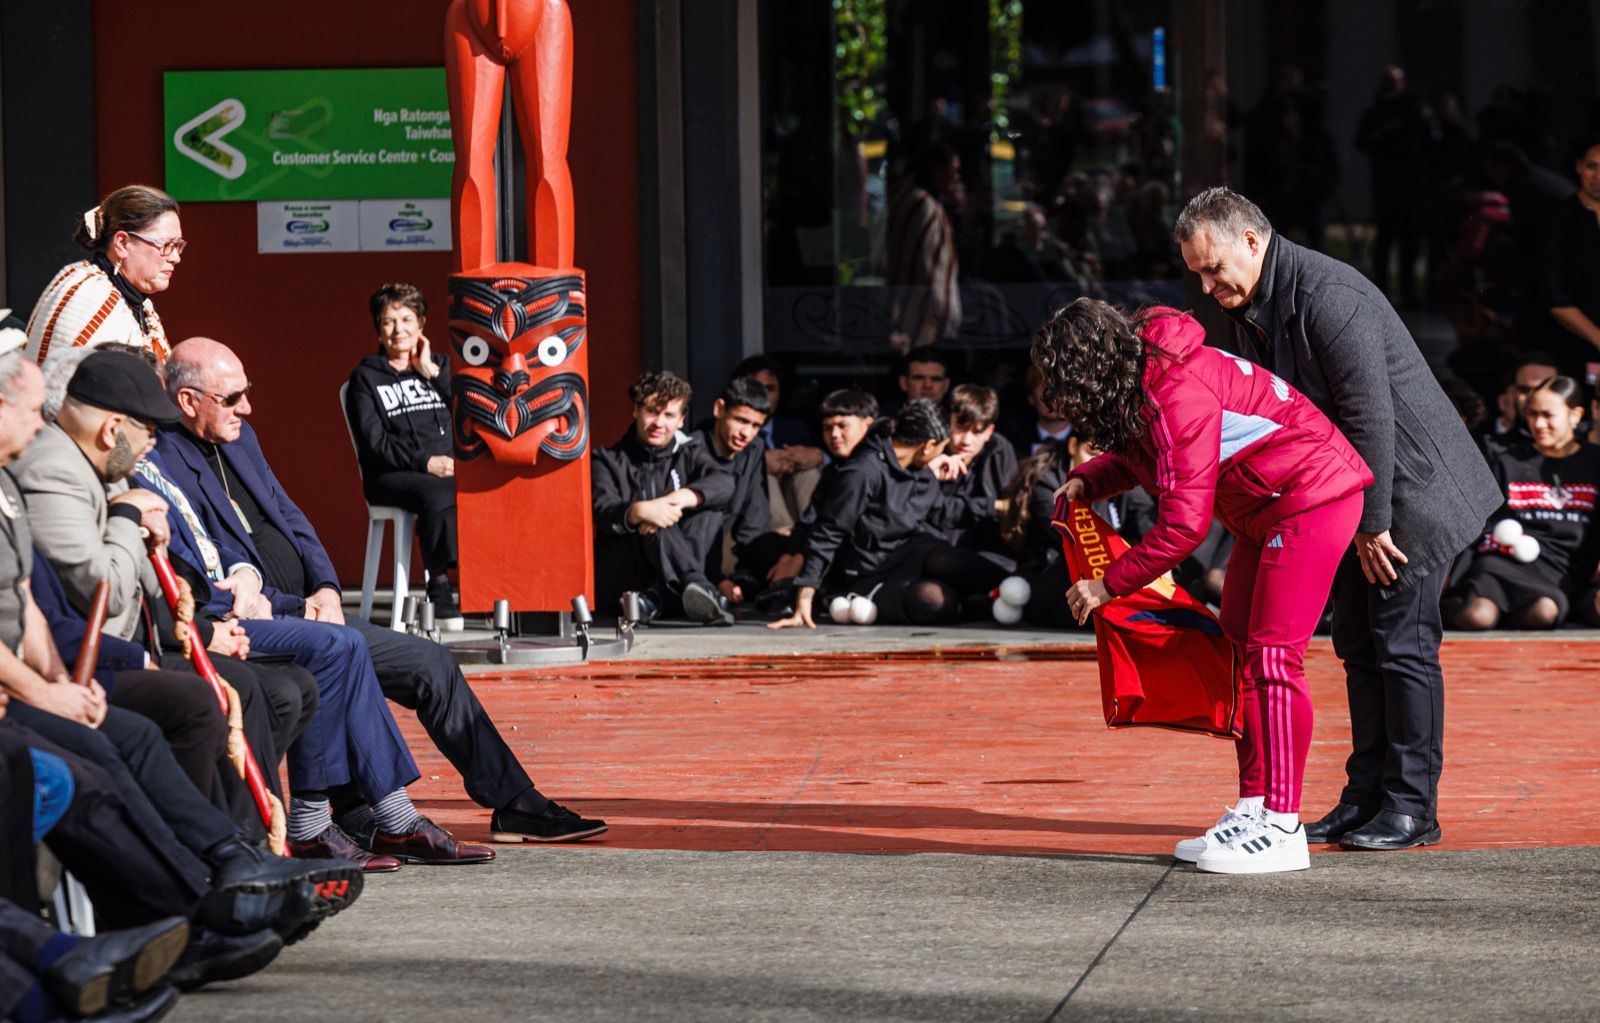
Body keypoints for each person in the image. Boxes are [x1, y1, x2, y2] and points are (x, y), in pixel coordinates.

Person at [156, 337, 607, 845]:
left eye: (247, 392)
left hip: (314, 608)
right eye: (232, 397)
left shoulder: (241, 437)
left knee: (431, 663)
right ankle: (365, 813)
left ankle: (514, 801)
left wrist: (327, 587)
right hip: (266, 617)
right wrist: (297, 605)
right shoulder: (165, 462)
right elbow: (213, 564)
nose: (248, 406)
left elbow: (289, 515)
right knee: (337, 659)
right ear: (189, 400)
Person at [1176, 186, 1502, 852]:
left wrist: (1374, 523)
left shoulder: (1328, 294)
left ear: (1250, 239)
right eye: (1197, 276)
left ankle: (1413, 806)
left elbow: (1368, 414)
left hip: (1407, 493)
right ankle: (1364, 796)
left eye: (1213, 269)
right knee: (1357, 644)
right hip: (1349, 494)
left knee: (1403, 646)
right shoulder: (1259, 301)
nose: (1208, 287)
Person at [1042, 300, 1372, 873]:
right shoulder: (1147, 377)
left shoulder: (1176, 391)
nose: (1061, 396)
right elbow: (1151, 457)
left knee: (1273, 658)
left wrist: (1107, 585)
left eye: (1066, 380)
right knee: (1241, 652)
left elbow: (1183, 526)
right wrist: (1089, 479)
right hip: (1265, 508)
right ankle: (1255, 807)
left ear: (1090, 369)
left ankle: (1283, 825)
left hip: (1311, 497)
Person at [770, 399, 1006, 629]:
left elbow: (941, 510)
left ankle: (1016, 588)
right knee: (932, 601)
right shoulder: (863, 471)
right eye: (941, 448)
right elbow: (828, 531)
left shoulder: (919, 468)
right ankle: (979, 606)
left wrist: (997, 507)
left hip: (913, 551)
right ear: (928, 446)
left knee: (949, 559)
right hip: (872, 572)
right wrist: (805, 596)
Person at [343, 282, 461, 628]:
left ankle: (487, 586)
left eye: (407, 319)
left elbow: (468, 414)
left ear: (421, 324)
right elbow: (373, 442)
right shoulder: (366, 378)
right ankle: (439, 585)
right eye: (389, 321)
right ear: (378, 329)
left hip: (449, 468)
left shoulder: (439, 367)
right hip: (391, 474)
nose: (399, 330)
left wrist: (432, 374)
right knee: (436, 491)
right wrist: (425, 462)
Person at [1445, 377, 1600, 629]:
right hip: (1500, 561)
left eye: (1548, 415)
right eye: (1532, 414)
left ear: (1575, 415)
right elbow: (1482, 521)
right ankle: (1444, 609)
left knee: (1543, 613)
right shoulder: (1507, 460)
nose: (1538, 424)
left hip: (1558, 568)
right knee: (1478, 616)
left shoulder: (1594, 462)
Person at [592, 371, 736, 625]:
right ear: (636, 411)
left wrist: (682, 498)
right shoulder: (606, 460)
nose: (659, 422)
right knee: (654, 523)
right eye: (651, 411)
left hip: (659, 583)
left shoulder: (690, 453)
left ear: (681, 420)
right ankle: (699, 587)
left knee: (708, 512)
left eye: (669, 415)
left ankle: (660, 596)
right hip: (626, 576)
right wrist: (640, 512)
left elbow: (724, 482)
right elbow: (603, 510)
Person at [25, 186, 182, 369]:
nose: (175, 257)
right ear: (122, 243)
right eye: (166, 245)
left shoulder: (138, 304)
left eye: (178, 245)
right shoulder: (88, 296)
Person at [692, 378, 772, 605]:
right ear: (719, 409)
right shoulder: (692, 449)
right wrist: (717, 579)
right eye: (741, 420)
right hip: (695, 553)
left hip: (729, 546)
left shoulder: (754, 449)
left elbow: (755, 513)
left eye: (756, 426)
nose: (746, 433)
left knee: (775, 545)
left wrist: (747, 566)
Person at [733, 355, 823, 534]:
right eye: (755, 388)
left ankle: (816, 532)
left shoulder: (796, 428)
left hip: (795, 504)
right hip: (748, 515)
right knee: (763, 475)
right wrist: (758, 462)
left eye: (770, 388)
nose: (763, 395)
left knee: (808, 472)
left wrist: (819, 456)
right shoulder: (724, 427)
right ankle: (783, 536)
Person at [886, 143, 963, 348]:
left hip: (907, 306)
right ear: (937, 172)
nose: (956, 178)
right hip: (920, 314)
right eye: (953, 171)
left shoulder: (905, 196)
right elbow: (929, 268)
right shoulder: (923, 206)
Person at [1541, 133, 1600, 377]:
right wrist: (1597, 337)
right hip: (1575, 347)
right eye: (1591, 166)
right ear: (1578, 167)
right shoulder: (1561, 219)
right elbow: (1553, 294)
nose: (1598, 177)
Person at [940, 384, 1017, 561]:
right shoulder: (932, 451)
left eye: (977, 431)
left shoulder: (1000, 451)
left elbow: (1011, 506)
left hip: (988, 553)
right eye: (960, 427)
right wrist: (993, 507)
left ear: (989, 432)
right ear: (948, 421)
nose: (966, 440)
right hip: (937, 551)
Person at [1486, 352, 1559, 446]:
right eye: (1525, 390)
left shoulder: (1581, 440)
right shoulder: (1486, 442)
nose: (1534, 398)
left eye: (1543, 390)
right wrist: (1507, 423)